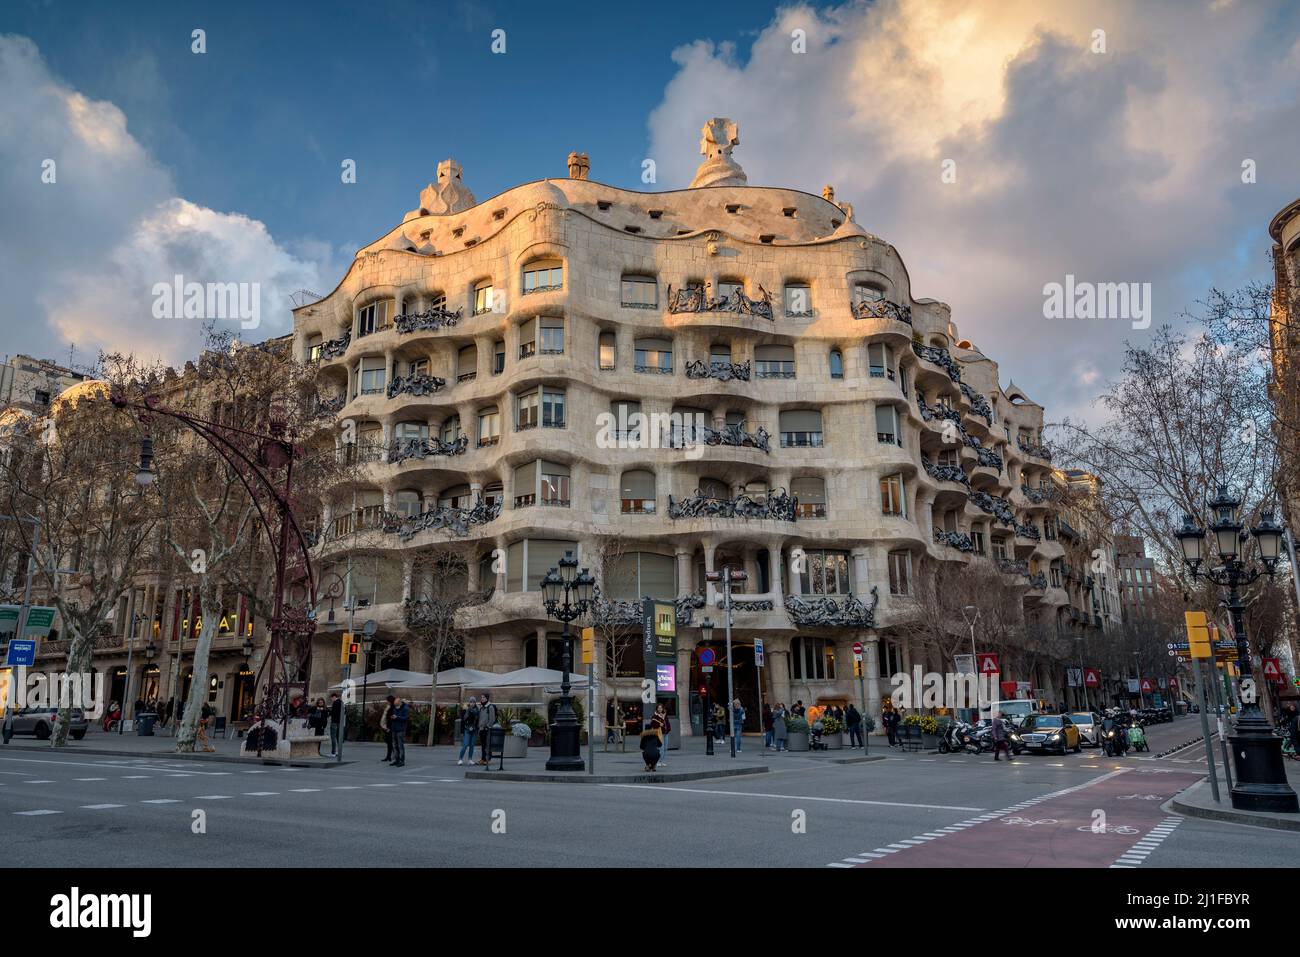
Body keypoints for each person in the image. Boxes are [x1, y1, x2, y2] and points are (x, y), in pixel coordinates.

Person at [477, 693, 498, 766]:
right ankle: (483, 759)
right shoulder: (481, 707)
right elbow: (480, 718)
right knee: (483, 745)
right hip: (481, 729)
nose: (482, 698)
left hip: (487, 729)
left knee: (487, 745)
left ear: (487, 698)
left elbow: (492, 719)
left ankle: (487, 759)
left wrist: (487, 726)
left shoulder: (490, 707)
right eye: (481, 697)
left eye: (483, 697)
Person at [388, 696, 409, 767]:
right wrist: (393, 717)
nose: (395, 706)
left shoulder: (405, 708)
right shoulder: (395, 708)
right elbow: (394, 715)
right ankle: (396, 760)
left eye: (396, 705)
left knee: (400, 746)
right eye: (395, 705)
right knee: (394, 745)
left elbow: (405, 718)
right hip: (394, 729)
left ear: (400, 703)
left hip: (401, 730)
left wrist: (397, 717)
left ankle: (401, 761)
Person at [458, 699, 480, 765]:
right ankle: (460, 759)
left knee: (472, 746)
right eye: (471, 702)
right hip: (467, 729)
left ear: (475, 703)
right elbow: (463, 721)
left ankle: (470, 759)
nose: (472, 703)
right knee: (465, 745)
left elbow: (478, 721)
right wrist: (461, 731)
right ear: (469, 702)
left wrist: (477, 729)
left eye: (473, 702)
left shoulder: (477, 710)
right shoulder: (466, 710)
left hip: (474, 730)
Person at [380, 695, 395, 762]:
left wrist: (389, 728)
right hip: (386, 727)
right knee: (388, 742)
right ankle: (389, 756)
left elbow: (391, 719)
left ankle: (391, 756)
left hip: (390, 727)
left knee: (390, 742)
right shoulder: (389, 707)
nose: (387, 702)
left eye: (387, 701)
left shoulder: (392, 708)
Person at [328, 691, 343, 757]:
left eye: (331, 698)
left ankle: (333, 752)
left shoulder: (335, 703)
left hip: (334, 722)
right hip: (340, 722)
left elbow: (333, 712)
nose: (331, 699)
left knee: (333, 737)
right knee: (338, 737)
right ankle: (339, 751)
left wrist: (329, 712)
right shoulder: (341, 702)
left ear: (334, 697)